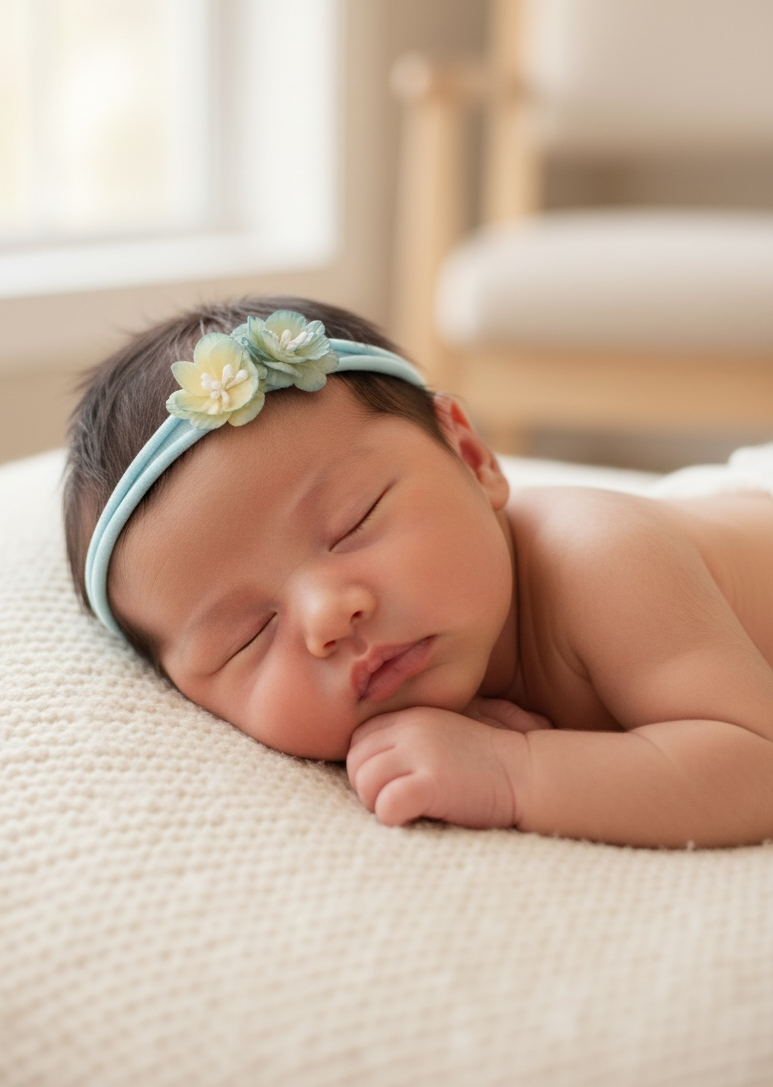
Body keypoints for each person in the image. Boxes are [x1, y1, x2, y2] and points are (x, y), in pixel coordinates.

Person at [64, 294, 773, 849]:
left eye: (354, 521)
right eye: (246, 637)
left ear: (471, 456)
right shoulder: (433, 659)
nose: (326, 616)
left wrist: (513, 770)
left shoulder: (604, 559)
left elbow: (753, 763)